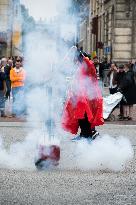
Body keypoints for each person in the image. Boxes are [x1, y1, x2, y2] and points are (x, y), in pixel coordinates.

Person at [62, 50, 104, 140]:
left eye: (79, 59)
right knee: (79, 116)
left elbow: (89, 65)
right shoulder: (80, 68)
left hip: (88, 97)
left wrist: (83, 57)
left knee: (85, 117)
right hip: (79, 96)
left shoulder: (89, 66)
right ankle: (83, 134)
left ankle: (87, 135)